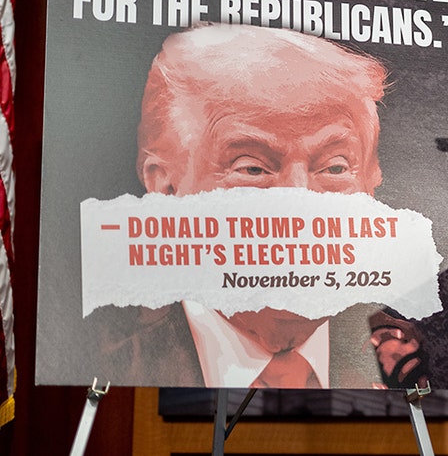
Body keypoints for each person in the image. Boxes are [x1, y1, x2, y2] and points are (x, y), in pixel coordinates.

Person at [87, 23, 428, 389]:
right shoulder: (97, 361)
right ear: (167, 190)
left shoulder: (416, 362)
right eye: (252, 168)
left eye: (334, 168)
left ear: (371, 185)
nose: (301, 209)